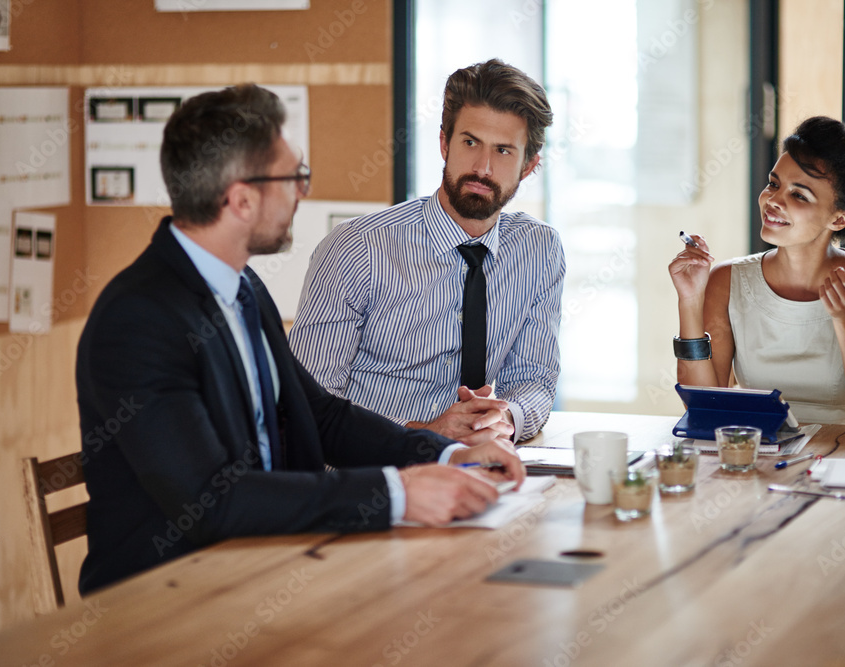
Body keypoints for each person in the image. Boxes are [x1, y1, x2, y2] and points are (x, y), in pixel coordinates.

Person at [75, 84, 524, 594]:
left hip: (270, 560)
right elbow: (211, 500)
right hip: (169, 599)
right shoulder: (137, 320)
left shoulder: (242, 285)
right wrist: (396, 492)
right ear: (242, 200)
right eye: (294, 177)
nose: (302, 192)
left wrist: (442, 455)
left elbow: (322, 415)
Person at [289, 59, 564, 446]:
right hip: (369, 475)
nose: (482, 168)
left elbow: (534, 379)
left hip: (473, 469)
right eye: (470, 143)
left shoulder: (539, 250)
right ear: (443, 143)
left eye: (503, 151)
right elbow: (307, 407)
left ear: (529, 166)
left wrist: (507, 419)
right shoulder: (358, 248)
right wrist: (424, 435)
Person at [669, 116, 845, 429]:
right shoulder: (727, 280)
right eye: (774, 184)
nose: (773, 201)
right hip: (755, 454)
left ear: (838, 219)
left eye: (799, 195)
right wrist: (689, 300)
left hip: (840, 457)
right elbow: (706, 403)